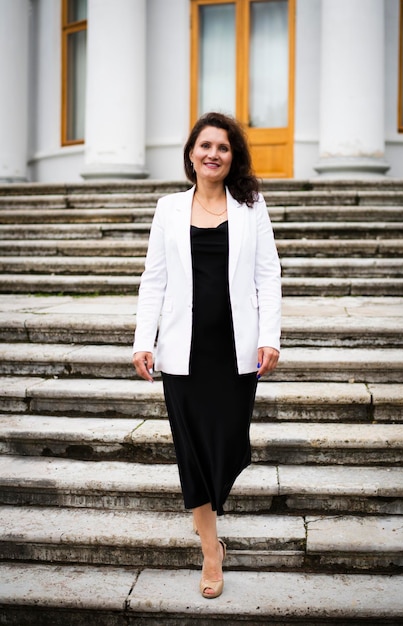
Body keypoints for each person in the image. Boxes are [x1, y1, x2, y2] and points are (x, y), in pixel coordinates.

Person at [132, 111, 281, 599]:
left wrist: (270, 336)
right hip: (182, 351)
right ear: (191, 154)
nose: (213, 153)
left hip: (235, 349)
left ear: (232, 156)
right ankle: (211, 551)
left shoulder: (250, 205)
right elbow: (154, 279)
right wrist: (143, 340)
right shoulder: (168, 207)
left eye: (222, 146)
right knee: (190, 452)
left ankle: (210, 519)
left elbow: (267, 275)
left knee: (228, 446)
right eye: (205, 146)